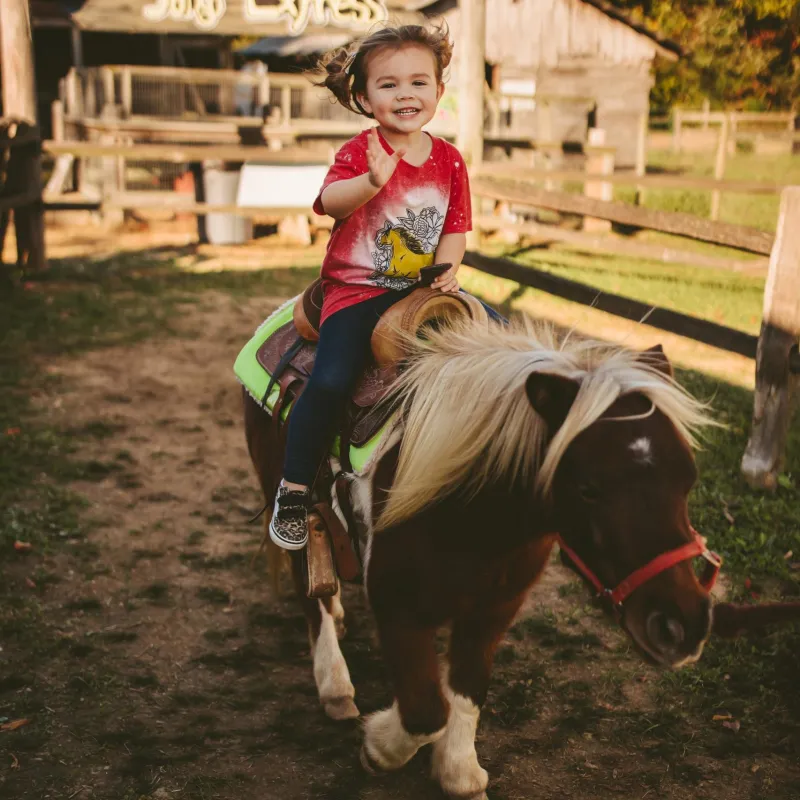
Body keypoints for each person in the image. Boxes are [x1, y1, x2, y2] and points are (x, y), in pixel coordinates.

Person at [269, 23, 500, 550]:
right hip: (358, 289)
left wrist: (447, 272)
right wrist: (373, 182)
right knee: (330, 380)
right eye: (389, 85)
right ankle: (295, 486)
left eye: (419, 83)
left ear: (439, 92)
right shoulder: (362, 150)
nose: (405, 95)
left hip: (420, 289)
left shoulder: (449, 160)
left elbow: (455, 228)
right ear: (364, 96)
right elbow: (329, 203)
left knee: (498, 345)